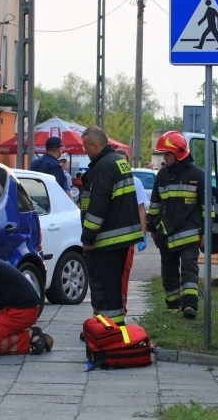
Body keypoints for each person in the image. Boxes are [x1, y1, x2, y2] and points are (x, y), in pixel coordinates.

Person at [80, 126, 143, 326]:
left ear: (95, 144)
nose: (85, 151)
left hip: (106, 240)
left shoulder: (103, 167)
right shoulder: (118, 162)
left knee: (103, 290)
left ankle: (109, 330)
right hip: (119, 240)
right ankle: (105, 326)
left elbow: (98, 205)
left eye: (86, 147)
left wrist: (88, 237)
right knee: (112, 288)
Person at [147, 131, 209, 319]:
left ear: (179, 153)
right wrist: (153, 229)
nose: (164, 158)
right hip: (166, 234)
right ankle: (173, 304)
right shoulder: (162, 176)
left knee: (190, 270)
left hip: (190, 234)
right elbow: (155, 204)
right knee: (169, 272)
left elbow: (207, 208)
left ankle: (190, 306)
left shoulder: (198, 175)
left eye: (167, 153)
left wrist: (205, 233)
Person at [116, 149, 147, 315]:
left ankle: (122, 309)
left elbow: (140, 208)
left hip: (128, 237)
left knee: (124, 276)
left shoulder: (135, 182)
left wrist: (142, 234)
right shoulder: (109, 180)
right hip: (111, 238)